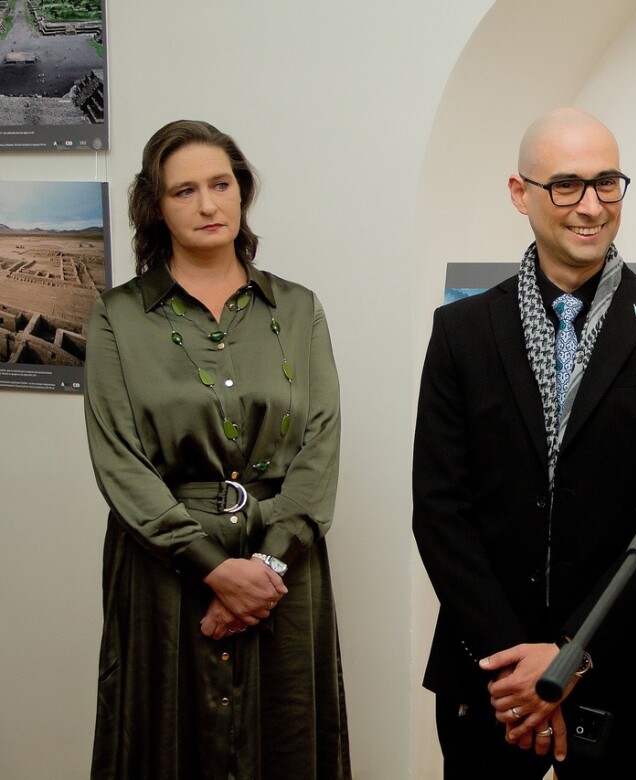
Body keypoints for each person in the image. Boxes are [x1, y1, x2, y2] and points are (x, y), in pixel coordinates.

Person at [412, 107, 636, 779]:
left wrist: (571, 655)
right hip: (489, 673)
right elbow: (439, 510)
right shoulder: (462, 332)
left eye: (607, 183)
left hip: (623, 667)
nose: (591, 206)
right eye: (566, 185)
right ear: (520, 193)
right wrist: (513, 662)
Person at [84, 120, 349, 778]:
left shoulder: (299, 309)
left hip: (284, 569)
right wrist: (213, 569)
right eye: (184, 191)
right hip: (164, 572)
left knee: (283, 742)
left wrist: (267, 568)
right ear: (155, 207)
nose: (207, 204)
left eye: (220, 184)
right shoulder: (117, 316)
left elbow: (319, 448)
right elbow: (120, 462)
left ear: (242, 191)